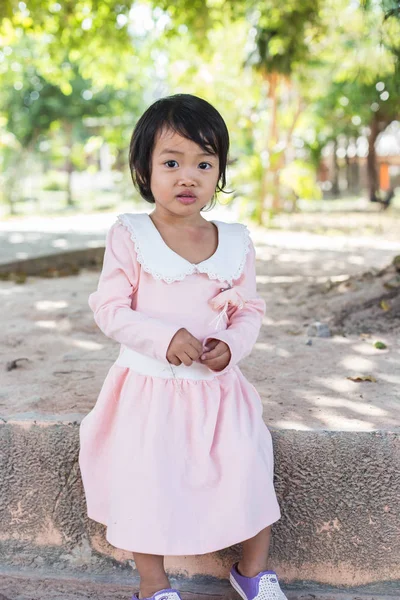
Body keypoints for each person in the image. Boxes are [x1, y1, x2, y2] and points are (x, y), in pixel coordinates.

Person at [79, 94, 286, 600]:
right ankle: (154, 584)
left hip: (218, 389)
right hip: (149, 389)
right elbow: (110, 308)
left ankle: (253, 571)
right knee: (146, 480)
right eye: (171, 162)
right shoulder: (130, 234)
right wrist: (164, 337)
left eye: (203, 163)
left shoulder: (235, 240)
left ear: (220, 171)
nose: (187, 176)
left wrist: (230, 345)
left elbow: (250, 310)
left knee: (250, 465)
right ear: (145, 169)